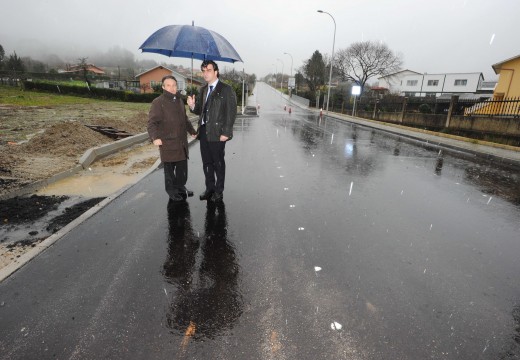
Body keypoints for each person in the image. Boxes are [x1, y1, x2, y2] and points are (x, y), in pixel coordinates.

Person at [187, 60, 237, 202]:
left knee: (218, 163)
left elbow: (231, 112)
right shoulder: (203, 90)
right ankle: (210, 188)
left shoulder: (226, 89)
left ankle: (219, 191)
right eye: (203, 70)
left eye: (208, 70)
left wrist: (226, 132)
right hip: (204, 131)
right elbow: (199, 111)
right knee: (207, 162)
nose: (205, 73)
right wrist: (192, 106)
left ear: (216, 72)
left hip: (218, 132)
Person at [148, 75, 197, 202]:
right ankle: (172, 191)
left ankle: (181, 187)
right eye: (168, 85)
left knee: (182, 170)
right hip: (167, 143)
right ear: (163, 87)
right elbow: (152, 123)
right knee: (169, 171)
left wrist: (192, 131)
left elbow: (185, 119)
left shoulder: (180, 101)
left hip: (181, 142)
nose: (172, 88)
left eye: (174, 85)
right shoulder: (158, 102)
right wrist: (155, 137)